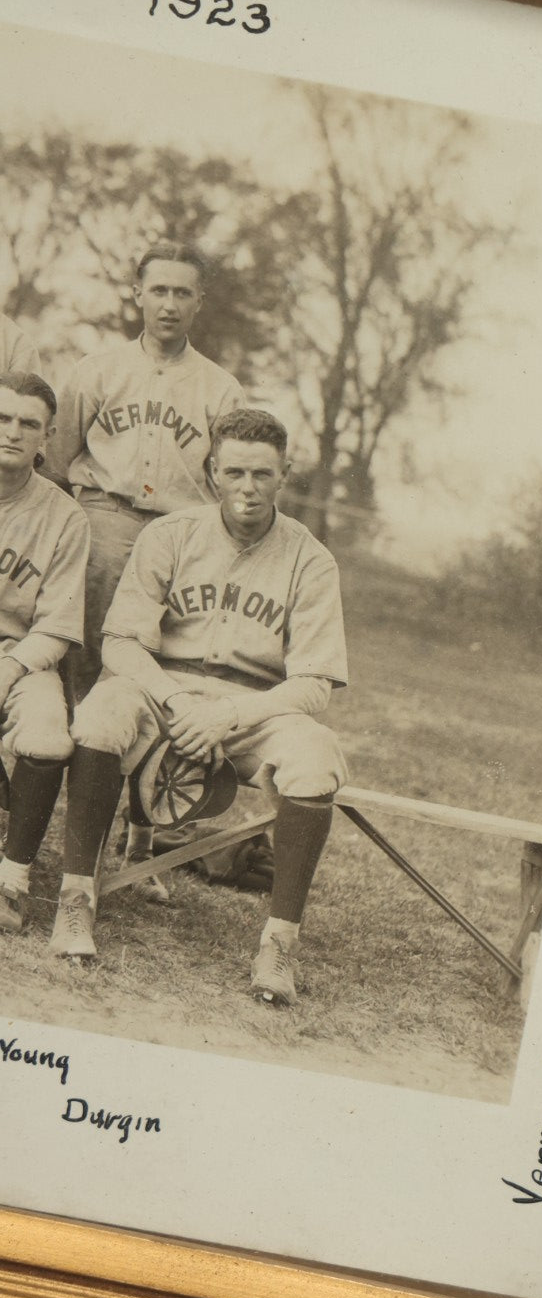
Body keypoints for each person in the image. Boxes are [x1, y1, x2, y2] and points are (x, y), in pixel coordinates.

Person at [50, 408, 348, 1008]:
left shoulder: (310, 559)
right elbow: (122, 642)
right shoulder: (172, 534)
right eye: (234, 472)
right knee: (100, 717)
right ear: (212, 471)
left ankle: (279, 941)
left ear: (284, 475)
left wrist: (231, 717)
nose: (247, 487)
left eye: (262, 474)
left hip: (256, 705)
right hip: (165, 686)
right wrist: (179, 699)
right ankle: (76, 897)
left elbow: (315, 681)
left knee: (317, 756)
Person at [48, 241, 245, 701]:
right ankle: (74, 762)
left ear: (200, 301)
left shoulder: (221, 389)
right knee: (83, 652)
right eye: (159, 291)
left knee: (159, 659)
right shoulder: (97, 372)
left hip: (180, 535)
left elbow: (230, 486)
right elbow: (56, 466)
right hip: (102, 525)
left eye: (182, 293)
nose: (169, 305)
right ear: (137, 293)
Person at [0, 371, 89, 931]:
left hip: (22, 653)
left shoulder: (64, 516)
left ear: (47, 437)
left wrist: (7, 670)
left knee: (48, 736)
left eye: (27, 423)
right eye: (2, 419)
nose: (12, 432)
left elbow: (57, 628)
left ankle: (12, 877)